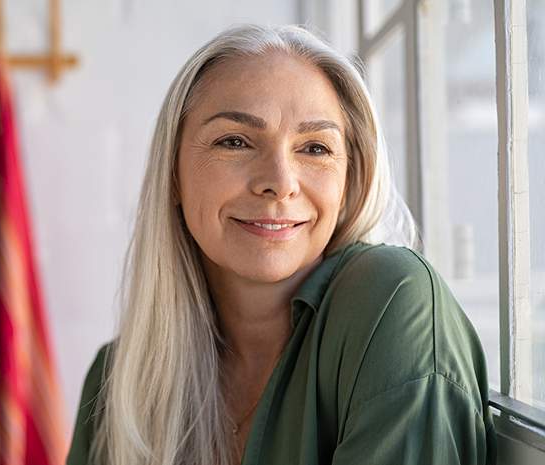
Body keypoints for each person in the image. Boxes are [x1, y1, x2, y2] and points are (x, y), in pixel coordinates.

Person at [66, 24, 497, 465]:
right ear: (173, 173)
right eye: (234, 141)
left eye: (314, 148)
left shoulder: (395, 306)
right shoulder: (117, 380)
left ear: (351, 180)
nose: (279, 182)